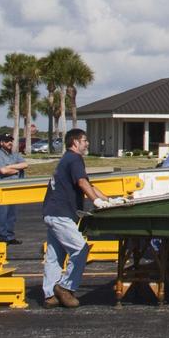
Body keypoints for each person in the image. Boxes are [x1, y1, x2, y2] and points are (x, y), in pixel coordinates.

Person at [42, 128, 118, 308]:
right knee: (80, 249)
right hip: (61, 214)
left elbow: (88, 184)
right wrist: (97, 202)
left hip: (52, 213)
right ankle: (65, 287)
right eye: (85, 140)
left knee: (55, 255)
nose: (87, 143)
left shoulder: (67, 160)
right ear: (75, 142)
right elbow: (82, 183)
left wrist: (109, 200)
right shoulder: (75, 159)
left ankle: (50, 295)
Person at [0, 135, 28, 245]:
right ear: (1, 143)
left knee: (12, 214)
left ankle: (9, 236)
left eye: (11, 141)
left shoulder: (15, 154)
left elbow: (25, 164)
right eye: (7, 141)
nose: (9, 143)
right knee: (1, 214)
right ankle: (1, 236)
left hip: (13, 189)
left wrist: (10, 167)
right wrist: (17, 169)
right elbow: (3, 171)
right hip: (1, 189)